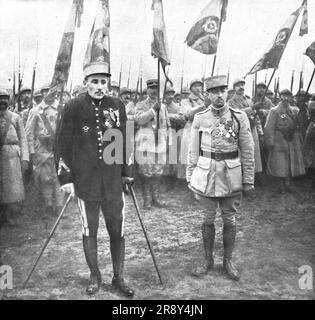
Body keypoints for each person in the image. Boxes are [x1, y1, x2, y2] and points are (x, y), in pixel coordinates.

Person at [56, 61, 134, 296]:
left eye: (103, 82)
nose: (99, 87)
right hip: (85, 181)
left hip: (112, 182)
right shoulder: (73, 106)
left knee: (117, 229)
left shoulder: (117, 105)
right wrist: (66, 178)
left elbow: (124, 141)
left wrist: (127, 173)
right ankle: (94, 275)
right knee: (89, 229)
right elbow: (62, 145)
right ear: (85, 83)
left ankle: (118, 277)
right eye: (95, 82)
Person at [187, 75, 255, 281]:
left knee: (229, 218)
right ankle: (208, 260)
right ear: (207, 95)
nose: (219, 95)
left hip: (231, 174)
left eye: (222, 91)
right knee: (207, 219)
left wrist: (248, 179)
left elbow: (247, 150)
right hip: (206, 174)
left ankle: (228, 261)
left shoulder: (239, 117)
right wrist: (190, 177)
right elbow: (193, 150)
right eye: (214, 91)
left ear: (227, 92)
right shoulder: (200, 118)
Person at [25, 88, 64, 216]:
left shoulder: (60, 108)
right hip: (41, 151)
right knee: (45, 179)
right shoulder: (35, 111)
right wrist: (31, 153)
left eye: (52, 91)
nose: (49, 93)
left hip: (57, 148)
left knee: (58, 178)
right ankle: (48, 205)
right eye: (46, 91)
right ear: (42, 94)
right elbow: (29, 134)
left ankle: (59, 206)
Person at [135, 79, 169, 209]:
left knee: (158, 170)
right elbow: (139, 120)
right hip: (146, 142)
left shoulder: (164, 106)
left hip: (159, 142)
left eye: (156, 88)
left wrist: (166, 138)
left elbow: (166, 124)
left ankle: (156, 197)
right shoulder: (141, 104)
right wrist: (153, 110)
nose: (154, 91)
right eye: (151, 88)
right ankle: (147, 199)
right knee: (146, 170)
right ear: (147, 90)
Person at [264, 89, 305, 193]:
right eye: (284, 96)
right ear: (280, 97)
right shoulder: (274, 111)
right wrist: (270, 141)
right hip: (279, 139)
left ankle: (288, 184)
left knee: (290, 162)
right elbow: (269, 127)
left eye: (288, 96)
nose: (286, 98)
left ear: (291, 98)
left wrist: (302, 111)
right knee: (280, 164)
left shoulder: (294, 111)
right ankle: (281, 185)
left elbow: (300, 124)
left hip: (291, 140)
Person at [0, 89, 29, 227]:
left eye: (5, 98)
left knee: (12, 189)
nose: (2, 101)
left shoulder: (15, 117)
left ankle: (10, 216)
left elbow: (23, 138)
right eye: (0, 98)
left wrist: (25, 159)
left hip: (12, 157)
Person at [228, 78, 263, 174]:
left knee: (252, 153)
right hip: (240, 130)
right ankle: (240, 176)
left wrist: (260, 132)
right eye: (238, 85)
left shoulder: (249, 100)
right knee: (241, 153)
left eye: (242, 85)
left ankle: (251, 176)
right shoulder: (231, 102)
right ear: (234, 88)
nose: (241, 87)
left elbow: (256, 117)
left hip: (252, 128)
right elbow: (237, 113)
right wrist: (252, 108)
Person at [179, 79, 206, 180]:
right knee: (191, 156)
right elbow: (188, 114)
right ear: (191, 89)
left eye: (200, 86)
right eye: (195, 86)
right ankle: (189, 180)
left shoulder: (205, 99)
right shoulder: (186, 101)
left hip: (204, 129)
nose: (198, 88)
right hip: (191, 129)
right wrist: (203, 106)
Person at [162, 84, 186, 182]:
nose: (171, 96)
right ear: (163, 95)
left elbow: (182, 118)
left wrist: (167, 116)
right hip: (161, 133)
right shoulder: (160, 106)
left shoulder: (176, 107)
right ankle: (164, 175)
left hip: (173, 132)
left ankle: (171, 176)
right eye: (168, 94)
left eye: (172, 94)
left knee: (173, 154)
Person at [303, 95, 315, 187]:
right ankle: (309, 174)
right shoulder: (312, 102)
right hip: (313, 127)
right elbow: (310, 110)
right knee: (309, 150)